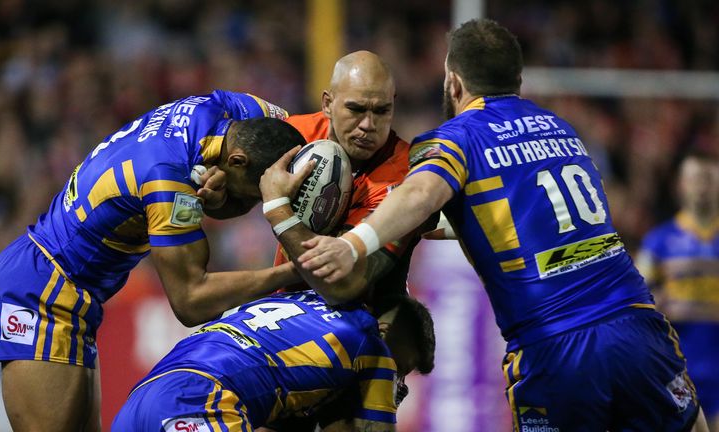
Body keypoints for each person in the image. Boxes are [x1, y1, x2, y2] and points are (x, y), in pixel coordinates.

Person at [298, 19, 709, 431]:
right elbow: (510, 216)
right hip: (638, 325)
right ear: (518, 79)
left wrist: (352, 243)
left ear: (453, 82)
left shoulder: (456, 138)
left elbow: (421, 194)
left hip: (554, 344)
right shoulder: (561, 128)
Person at [0, 90, 310, 431]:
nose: (253, 205)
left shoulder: (230, 108)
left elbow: (296, 131)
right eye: (254, 195)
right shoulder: (168, 179)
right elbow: (191, 301)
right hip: (42, 288)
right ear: (238, 161)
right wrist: (293, 271)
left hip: (76, 289)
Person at [111, 290, 435, 431]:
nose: (396, 380)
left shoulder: (305, 302)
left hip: (142, 399)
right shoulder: (368, 342)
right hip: (201, 401)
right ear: (385, 330)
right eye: (399, 368)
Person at [256, 50, 435, 306]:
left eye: (382, 111)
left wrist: (278, 209)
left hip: (361, 320)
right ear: (328, 104)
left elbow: (341, 286)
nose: (368, 125)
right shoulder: (294, 136)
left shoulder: (404, 178)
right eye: (356, 109)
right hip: (287, 307)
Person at [637, 150, 719, 431]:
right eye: (696, 179)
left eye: (708, 178)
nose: (702, 186)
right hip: (678, 367)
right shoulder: (658, 241)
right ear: (681, 185)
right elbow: (637, 299)